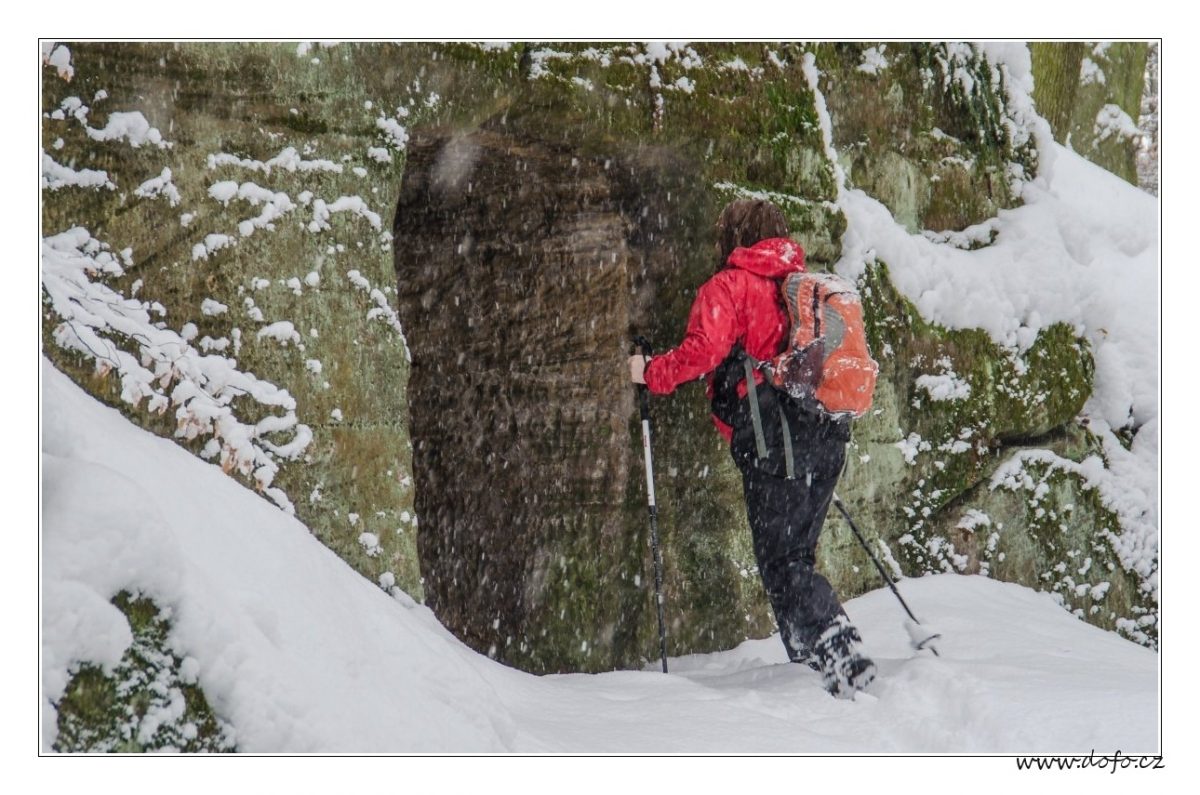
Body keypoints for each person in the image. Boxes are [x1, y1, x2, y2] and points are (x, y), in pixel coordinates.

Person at [629, 198, 876, 698]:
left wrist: (649, 372)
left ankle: (837, 647)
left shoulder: (731, 285)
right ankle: (812, 664)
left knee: (782, 561)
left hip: (774, 441)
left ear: (733, 237)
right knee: (796, 556)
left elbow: (703, 352)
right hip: (826, 434)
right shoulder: (803, 287)